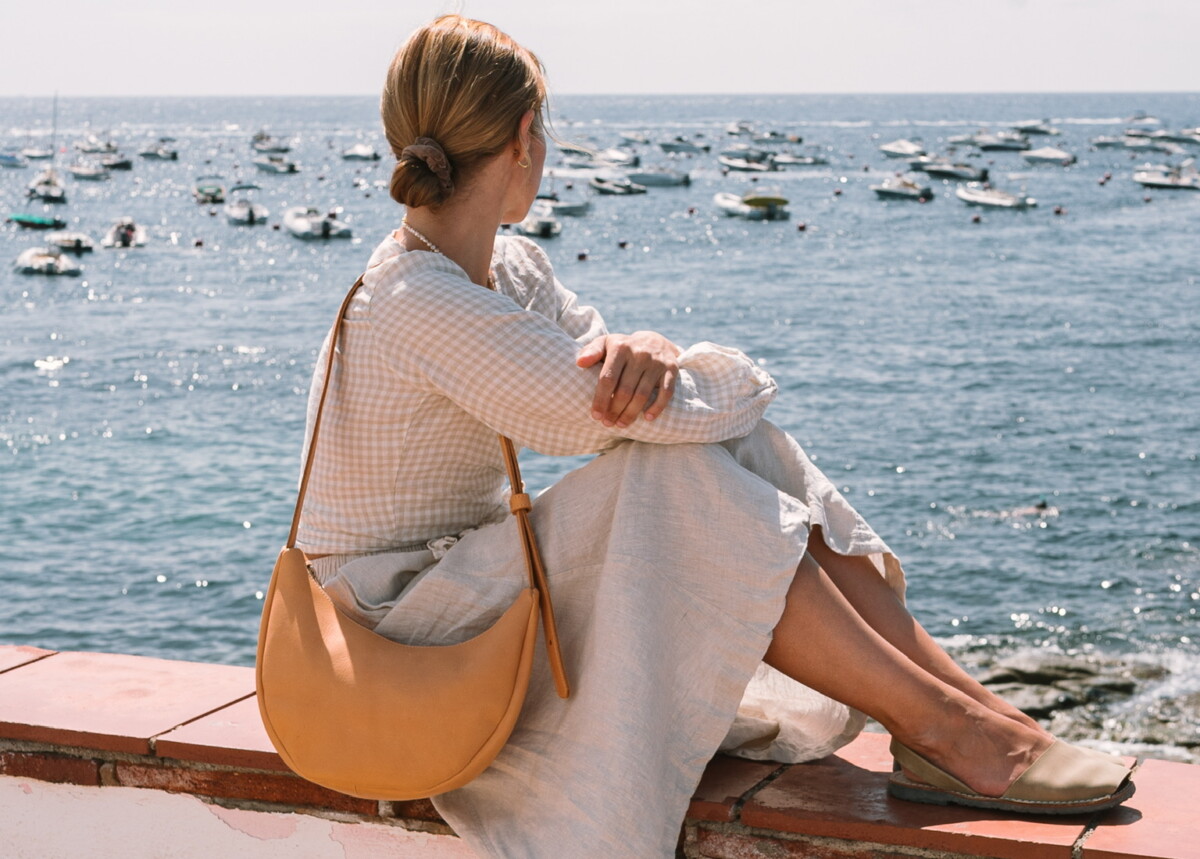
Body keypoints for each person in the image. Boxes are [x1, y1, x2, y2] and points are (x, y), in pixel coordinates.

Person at [295, 15, 1134, 857]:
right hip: (389, 633)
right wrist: (697, 368)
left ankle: (976, 717)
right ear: (525, 138)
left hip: (456, 591)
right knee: (683, 470)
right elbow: (645, 412)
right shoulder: (421, 302)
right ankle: (950, 730)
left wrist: (656, 349)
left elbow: (622, 376)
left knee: (732, 453)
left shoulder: (508, 271)